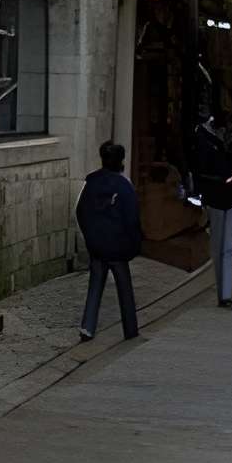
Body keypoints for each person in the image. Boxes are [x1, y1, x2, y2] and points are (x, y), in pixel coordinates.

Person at [75, 140, 143, 341]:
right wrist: (133, 245)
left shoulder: (91, 183)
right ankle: (130, 329)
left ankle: (87, 326)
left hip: (97, 245)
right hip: (118, 247)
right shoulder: (124, 186)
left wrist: (90, 236)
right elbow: (132, 219)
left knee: (95, 285)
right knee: (124, 288)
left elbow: (80, 211)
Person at [193, 96, 232, 311]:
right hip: (220, 194)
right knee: (221, 247)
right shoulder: (206, 136)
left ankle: (225, 293)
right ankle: (223, 293)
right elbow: (201, 168)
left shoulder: (229, 136)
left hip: (227, 194)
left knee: (225, 247)